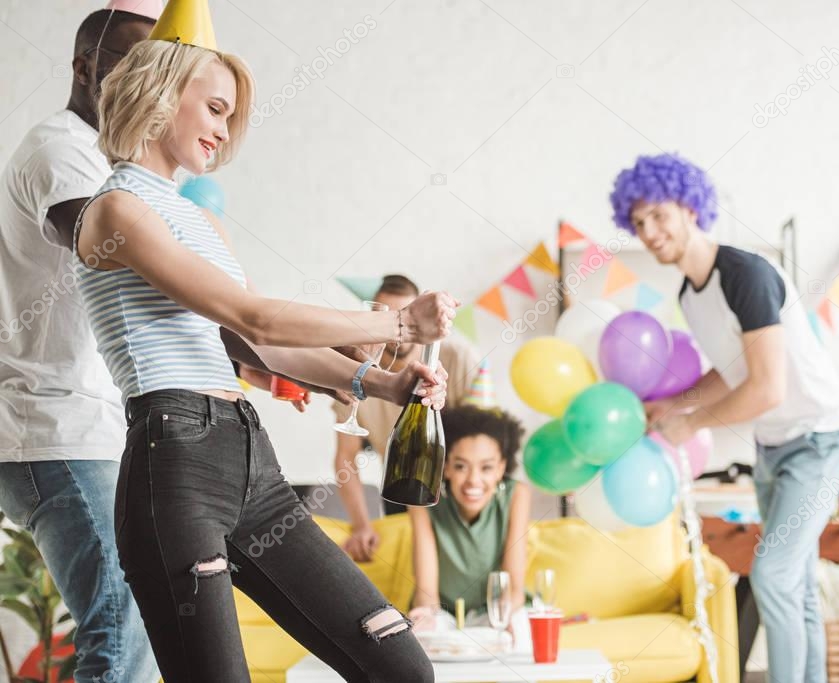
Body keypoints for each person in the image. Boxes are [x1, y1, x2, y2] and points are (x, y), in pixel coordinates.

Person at [72, 3, 454, 679]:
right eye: (215, 108)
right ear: (162, 91)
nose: (223, 130)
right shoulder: (116, 209)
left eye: (229, 117)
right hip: (175, 463)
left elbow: (259, 349)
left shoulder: (199, 222)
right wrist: (395, 326)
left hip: (253, 465)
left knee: (400, 664)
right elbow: (255, 317)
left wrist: (385, 381)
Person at [610, 153, 839, 683]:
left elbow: (768, 387)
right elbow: (734, 369)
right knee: (797, 584)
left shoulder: (746, 274)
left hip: (819, 439)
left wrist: (691, 425)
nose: (649, 232)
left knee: (772, 574)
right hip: (773, 446)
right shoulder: (690, 295)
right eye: (638, 224)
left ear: (689, 205)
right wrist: (676, 406)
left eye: (657, 215)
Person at [0, 7, 161, 682]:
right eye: (126, 62)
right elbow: (109, 250)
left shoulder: (112, 162)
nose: (140, 81)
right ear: (83, 67)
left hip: (89, 428)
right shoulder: (61, 149)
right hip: (56, 428)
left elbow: (156, 298)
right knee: (120, 628)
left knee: (134, 625)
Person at [333, 274, 483, 560]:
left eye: (403, 317)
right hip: (400, 491)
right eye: (389, 319)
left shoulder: (456, 358)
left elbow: (485, 435)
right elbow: (345, 456)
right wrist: (361, 525)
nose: (397, 328)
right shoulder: (355, 370)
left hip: (457, 493)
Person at [406, 405, 532, 650]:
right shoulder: (423, 502)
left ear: (501, 468)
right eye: (461, 466)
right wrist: (425, 618)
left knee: (518, 635)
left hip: (498, 610)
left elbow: (513, 585)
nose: (474, 480)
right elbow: (426, 590)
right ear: (446, 467)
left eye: (486, 467)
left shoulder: (517, 495)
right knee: (420, 641)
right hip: (444, 615)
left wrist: (503, 621)